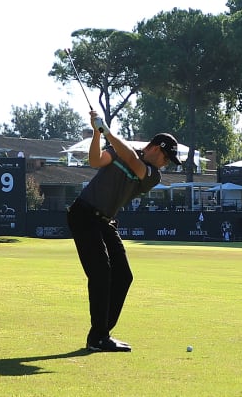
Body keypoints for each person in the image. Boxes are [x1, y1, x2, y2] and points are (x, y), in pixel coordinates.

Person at [67, 111, 180, 353]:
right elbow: (96, 161)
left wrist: (106, 131)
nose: (166, 163)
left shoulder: (152, 175)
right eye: (166, 157)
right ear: (156, 148)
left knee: (123, 276)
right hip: (83, 214)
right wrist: (97, 134)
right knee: (100, 273)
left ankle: (101, 334)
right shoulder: (120, 150)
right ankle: (99, 337)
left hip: (105, 221)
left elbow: (131, 159)